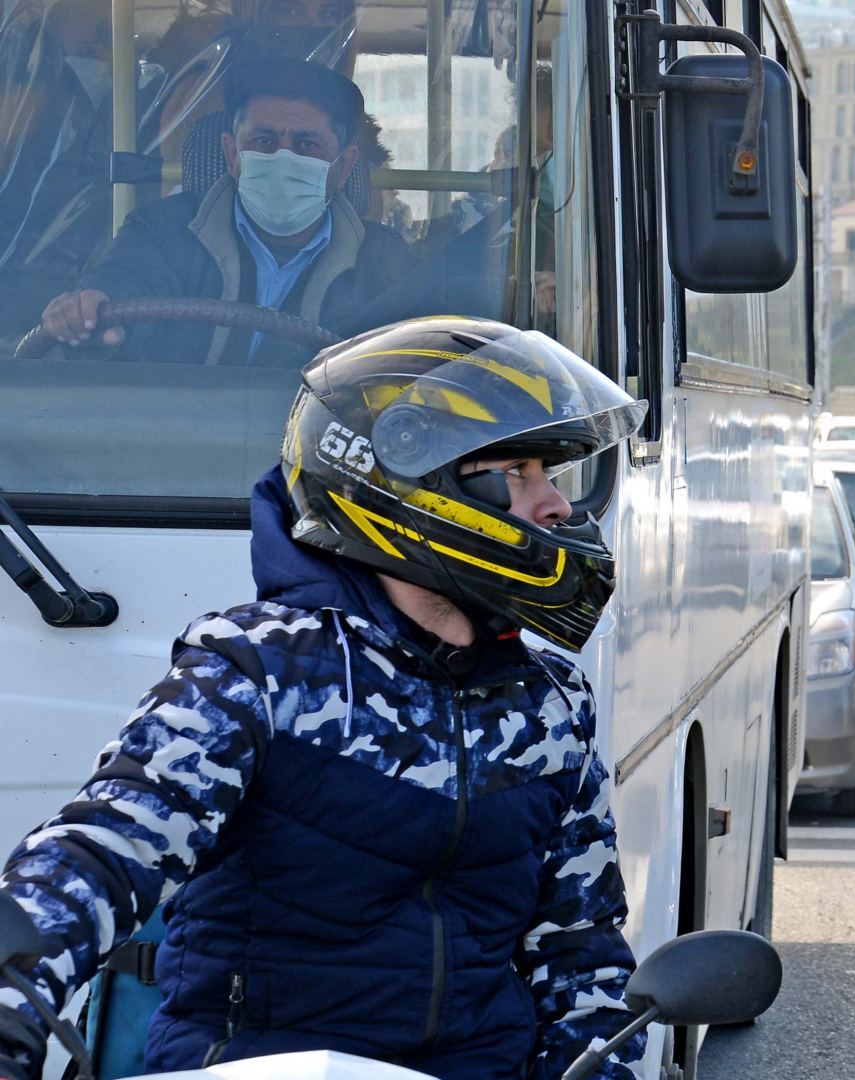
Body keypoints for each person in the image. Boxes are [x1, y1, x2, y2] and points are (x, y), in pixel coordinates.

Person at [0, 317, 649, 1079]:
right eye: (517, 473)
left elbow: (580, 945)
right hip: (256, 1066)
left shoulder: (548, 705)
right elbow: (106, 848)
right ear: (413, 485)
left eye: (549, 473)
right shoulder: (260, 671)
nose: (556, 504)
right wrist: (10, 1006)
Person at [36, 56, 407, 366]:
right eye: (264, 140)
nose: (283, 157)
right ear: (231, 154)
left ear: (344, 166)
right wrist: (87, 310)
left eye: (306, 144)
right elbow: (122, 280)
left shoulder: (386, 263)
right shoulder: (162, 230)